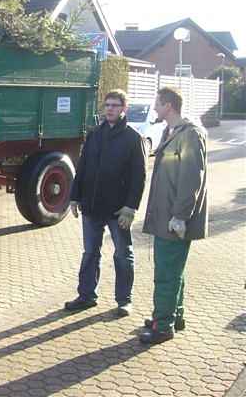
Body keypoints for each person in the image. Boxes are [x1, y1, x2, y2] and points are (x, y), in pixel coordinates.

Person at [65, 89, 147, 316]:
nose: (110, 109)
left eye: (115, 105)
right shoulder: (94, 134)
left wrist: (130, 207)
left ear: (124, 109)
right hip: (91, 206)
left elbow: (138, 176)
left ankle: (124, 300)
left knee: (122, 253)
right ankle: (86, 296)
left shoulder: (133, 138)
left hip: (118, 209)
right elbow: (82, 167)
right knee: (90, 252)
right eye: (107, 105)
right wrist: (74, 196)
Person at [140, 87, 208, 345]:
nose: (154, 109)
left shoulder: (190, 135)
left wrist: (180, 216)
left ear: (168, 105)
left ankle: (163, 326)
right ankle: (173, 316)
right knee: (173, 269)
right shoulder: (172, 132)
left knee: (166, 272)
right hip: (165, 215)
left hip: (173, 219)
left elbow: (192, 177)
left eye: (157, 104)